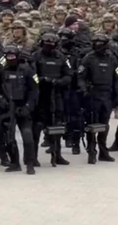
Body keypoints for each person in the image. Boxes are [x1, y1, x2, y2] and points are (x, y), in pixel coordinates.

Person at [0, 45, 38, 175]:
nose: (10, 59)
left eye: (13, 56)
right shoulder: (1, 72)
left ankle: (30, 163)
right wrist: (0, 98)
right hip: (7, 108)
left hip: (23, 107)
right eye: (8, 56)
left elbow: (34, 90)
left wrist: (28, 106)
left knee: (28, 136)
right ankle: (15, 163)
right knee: (9, 137)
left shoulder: (27, 71)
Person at [79, 34, 118, 164]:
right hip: (93, 95)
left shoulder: (112, 59)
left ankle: (103, 152)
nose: (98, 45)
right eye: (96, 43)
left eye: (101, 43)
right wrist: (84, 90)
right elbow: (80, 77)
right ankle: (91, 151)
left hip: (107, 95)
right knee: (92, 125)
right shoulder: (88, 58)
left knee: (105, 125)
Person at [31, 33, 72, 167]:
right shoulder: (35, 56)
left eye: (52, 45)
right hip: (40, 95)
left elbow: (69, 75)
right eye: (47, 45)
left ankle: (57, 155)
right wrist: (42, 80)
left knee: (57, 126)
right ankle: (33, 157)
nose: (49, 48)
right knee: (37, 127)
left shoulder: (61, 57)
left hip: (56, 94)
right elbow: (30, 75)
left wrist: (58, 82)